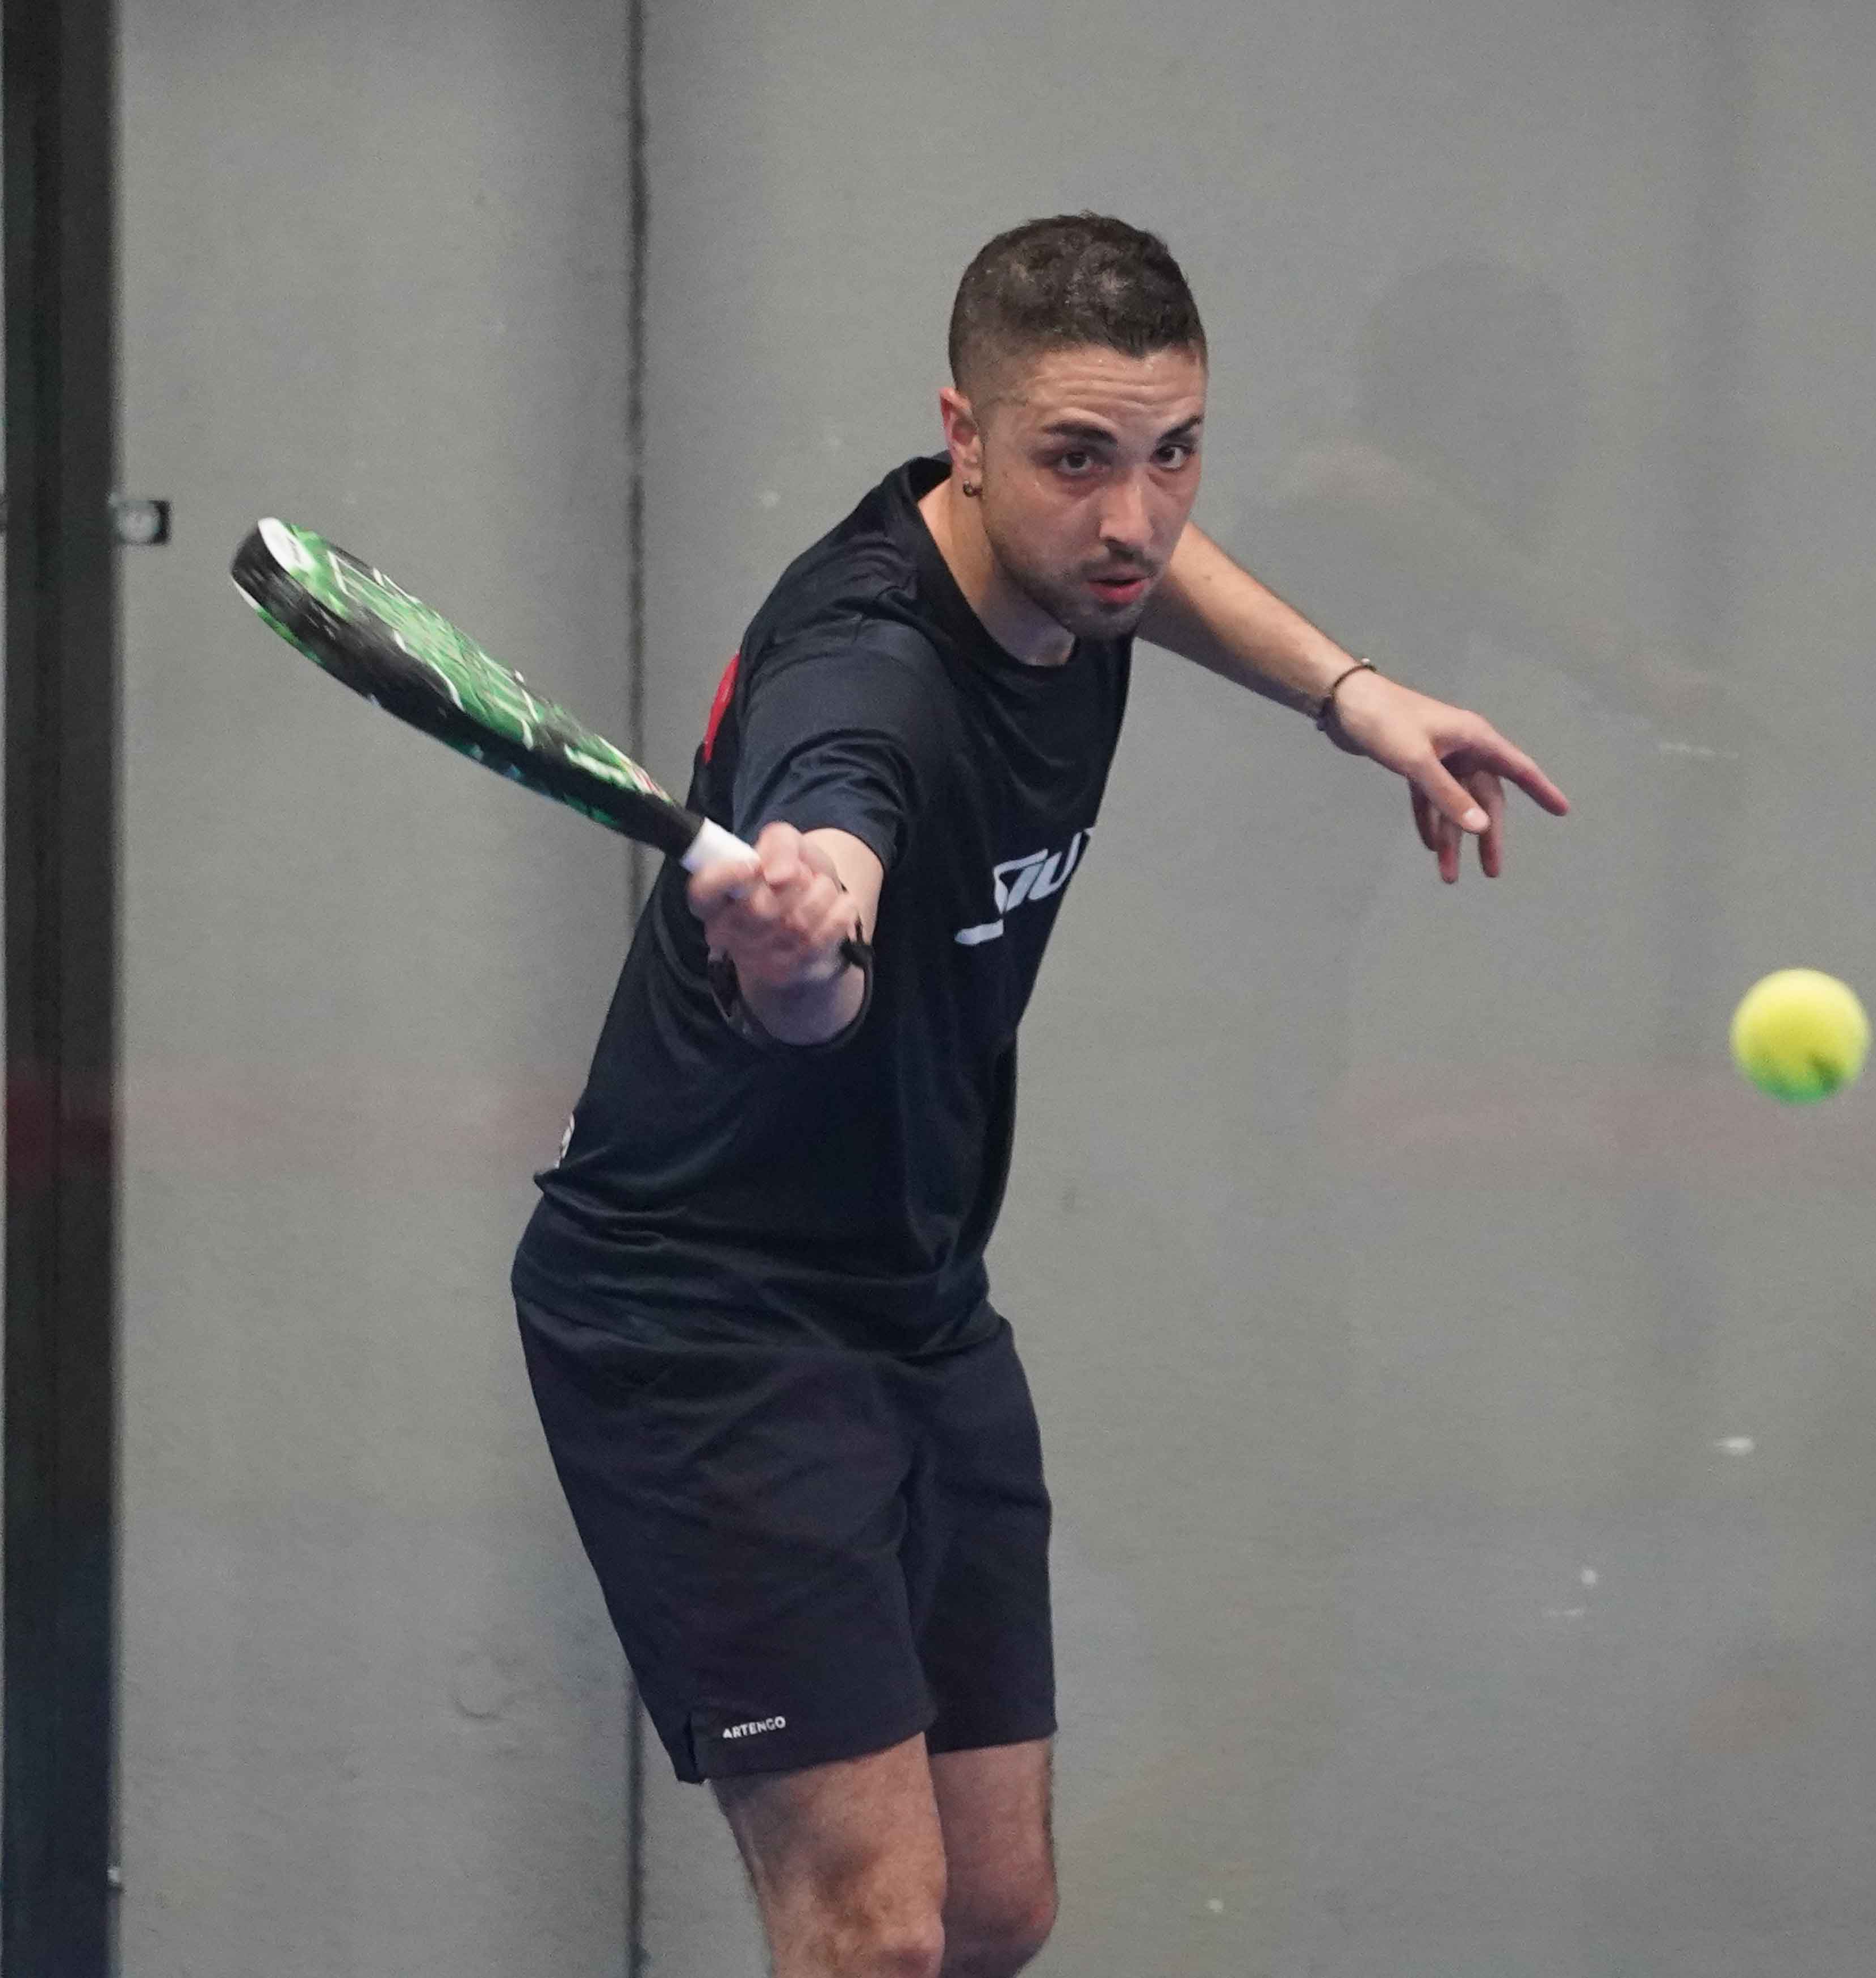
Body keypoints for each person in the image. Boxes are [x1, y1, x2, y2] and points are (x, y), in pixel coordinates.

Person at [510, 212, 1569, 1978]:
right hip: (698, 1315)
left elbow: (1159, 566)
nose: (1133, 516)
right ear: (964, 433)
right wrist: (804, 937)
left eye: (1174, 453)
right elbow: (829, 876)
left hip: (914, 1295)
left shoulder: (1085, 559)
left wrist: (1351, 694)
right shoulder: (865, 672)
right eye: (1078, 458)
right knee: (872, 1933)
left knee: (996, 1911)